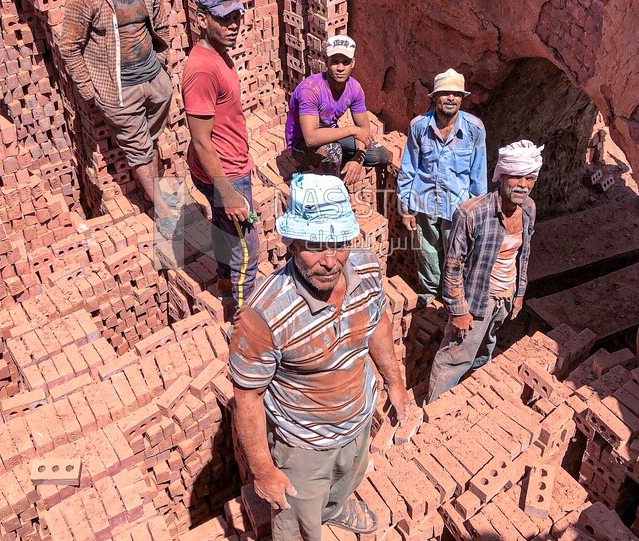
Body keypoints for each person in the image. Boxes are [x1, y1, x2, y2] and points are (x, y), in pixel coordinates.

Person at [230, 173, 411, 541]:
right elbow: (247, 397)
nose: (330, 261)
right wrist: (263, 470)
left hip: (358, 418)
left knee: (347, 477)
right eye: (315, 245)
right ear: (291, 243)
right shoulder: (262, 315)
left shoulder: (366, 268)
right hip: (304, 443)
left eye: (339, 243)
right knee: (296, 517)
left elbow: (376, 324)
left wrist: (395, 383)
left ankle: (337, 507)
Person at [60, 0, 174, 234]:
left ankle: (149, 180)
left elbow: (161, 26)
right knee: (138, 147)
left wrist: (162, 62)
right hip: (119, 89)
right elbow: (69, 45)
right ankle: (161, 208)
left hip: (154, 80)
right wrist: (87, 88)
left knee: (149, 140)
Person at [426, 140, 543, 403]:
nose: (523, 184)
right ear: (501, 176)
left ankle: (469, 401)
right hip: (478, 298)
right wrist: (459, 310)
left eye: (530, 178)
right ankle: (433, 415)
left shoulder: (529, 209)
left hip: (505, 295)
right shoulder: (472, 213)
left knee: (486, 349)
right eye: (516, 176)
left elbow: (523, 256)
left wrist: (519, 294)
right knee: (455, 357)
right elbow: (453, 266)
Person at [183, 0, 258, 313]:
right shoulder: (201, 68)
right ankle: (244, 322)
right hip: (227, 172)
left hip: (226, 166)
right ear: (202, 20)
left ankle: (225, 283)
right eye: (224, 19)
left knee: (222, 225)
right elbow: (200, 139)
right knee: (248, 249)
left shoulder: (218, 56)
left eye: (236, 18)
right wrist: (226, 190)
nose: (233, 26)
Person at [397, 69, 487, 308]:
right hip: (424, 204)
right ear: (435, 97)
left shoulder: (474, 129)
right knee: (426, 255)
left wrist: (477, 213)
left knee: (456, 257)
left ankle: (452, 301)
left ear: (462, 98)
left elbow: (479, 174)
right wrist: (406, 208)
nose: (451, 98)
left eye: (456, 94)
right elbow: (409, 167)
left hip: (458, 209)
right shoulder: (419, 126)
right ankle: (429, 298)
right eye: (445, 93)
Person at [285, 35, 390, 184]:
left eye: (345, 62)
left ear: (353, 63)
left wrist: (357, 159)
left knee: (380, 155)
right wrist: (352, 130)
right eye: (335, 62)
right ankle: (336, 191)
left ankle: (334, 165)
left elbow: (364, 131)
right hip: (300, 144)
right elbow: (310, 138)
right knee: (333, 152)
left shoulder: (355, 88)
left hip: (331, 134)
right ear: (327, 62)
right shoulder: (310, 90)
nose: (340, 68)